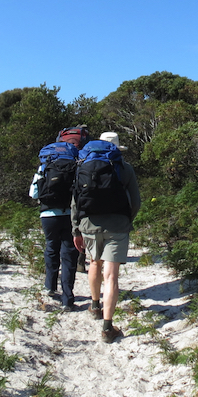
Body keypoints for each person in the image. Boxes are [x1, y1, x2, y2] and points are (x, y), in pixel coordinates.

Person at [71, 131, 141, 343]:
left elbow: (75, 200)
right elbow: (136, 201)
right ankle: (108, 327)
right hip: (118, 225)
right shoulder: (125, 168)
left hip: (89, 224)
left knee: (94, 263)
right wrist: (127, 219)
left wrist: (76, 228)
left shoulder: (83, 165)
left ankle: (94, 305)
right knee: (111, 276)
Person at [29, 126, 89, 310]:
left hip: (47, 215)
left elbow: (33, 193)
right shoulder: (76, 165)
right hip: (70, 215)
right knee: (69, 255)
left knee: (51, 248)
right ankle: (67, 299)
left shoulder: (45, 165)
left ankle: (49, 286)